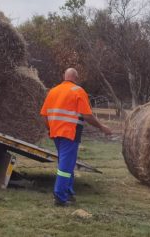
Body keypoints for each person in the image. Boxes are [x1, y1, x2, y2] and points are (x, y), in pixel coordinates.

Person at [40, 68, 112, 206]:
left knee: (67, 163)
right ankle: (60, 197)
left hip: (56, 133)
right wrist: (102, 127)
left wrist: (50, 129)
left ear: (64, 76)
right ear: (76, 78)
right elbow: (87, 115)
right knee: (66, 166)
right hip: (70, 133)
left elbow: (44, 115)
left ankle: (68, 192)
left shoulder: (53, 91)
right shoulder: (78, 91)